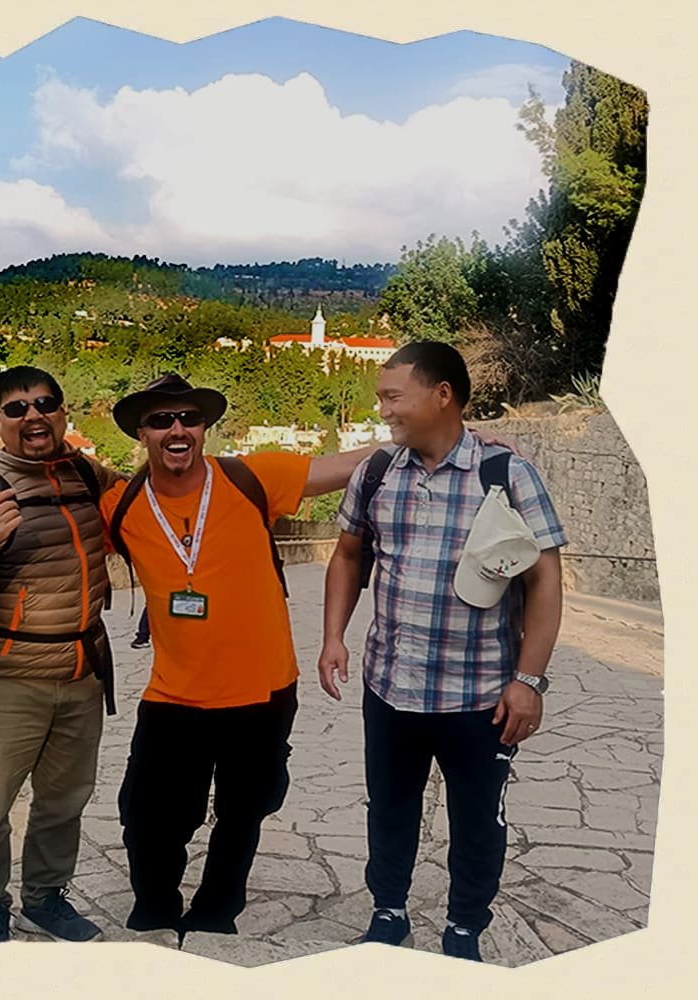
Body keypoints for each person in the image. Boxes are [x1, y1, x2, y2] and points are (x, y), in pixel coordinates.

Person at [102, 373, 379, 943]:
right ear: (142, 433)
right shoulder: (121, 505)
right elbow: (52, 500)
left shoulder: (253, 477)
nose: (177, 429)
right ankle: (155, 907)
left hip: (264, 691)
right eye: (161, 420)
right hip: (173, 695)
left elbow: (357, 461)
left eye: (188, 418)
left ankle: (215, 911)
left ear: (203, 428)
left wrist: (460, 437)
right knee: (149, 817)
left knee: (243, 813)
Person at [318, 341, 566, 963]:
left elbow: (545, 579)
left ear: (442, 395)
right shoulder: (377, 472)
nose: (385, 410)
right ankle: (389, 911)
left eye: (393, 396)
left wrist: (529, 681)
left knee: (479, 819)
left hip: (480, 694)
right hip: (391, 685)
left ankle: (464, 927)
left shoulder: (506, 474)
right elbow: (349, 553)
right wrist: (332, 637)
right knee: (390, 808)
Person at [0, 366, 122, 956]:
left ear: (64, 413)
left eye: (45, 403)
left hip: (80, 672)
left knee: (64, 801)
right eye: (16, 409)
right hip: (7, 679)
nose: (33, 416)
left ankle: (45, 898)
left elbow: (149, 499)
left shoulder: (88, 474)